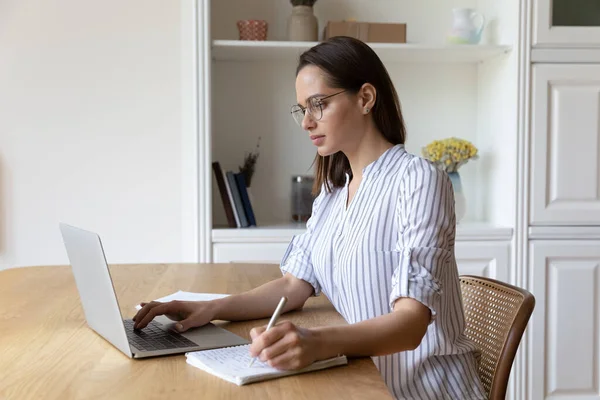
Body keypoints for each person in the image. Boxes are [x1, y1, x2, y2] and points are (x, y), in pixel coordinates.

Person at [133, 36, 486, 400]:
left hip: (422, 391)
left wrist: (317, 342)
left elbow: (411, 326)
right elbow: (292, 287)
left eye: (318, 105)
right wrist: (211, 308)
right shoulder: (333, 194)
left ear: (365, 98)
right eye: (301, 108)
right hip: (363, 382)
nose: (306, 122)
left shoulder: (419, 179)